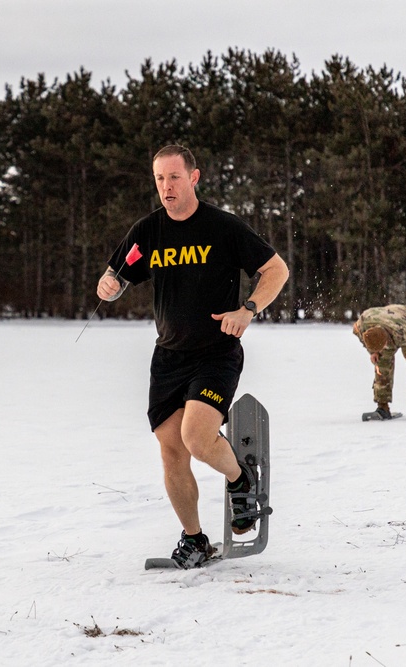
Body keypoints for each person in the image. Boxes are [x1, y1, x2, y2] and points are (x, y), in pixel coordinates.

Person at [97, 144, 289, 568]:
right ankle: (194, 539)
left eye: (174, 177)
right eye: (160, 179)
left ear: (194, 177)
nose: (166, 187)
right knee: (171, 450)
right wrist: (107, 285)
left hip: (216, 352)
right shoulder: (147, 231)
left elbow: (277, 270)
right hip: (168, 357)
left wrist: (248, 310)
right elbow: (116, 273)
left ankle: (242, 480)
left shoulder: (222, 227)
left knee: (196, 439)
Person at [352, 304, 406, 421]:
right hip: (387, 319)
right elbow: (359, 333)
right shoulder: (362, 324)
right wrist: (372, 352)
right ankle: (382, 407)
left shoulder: (403, 334)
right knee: (382, 362)